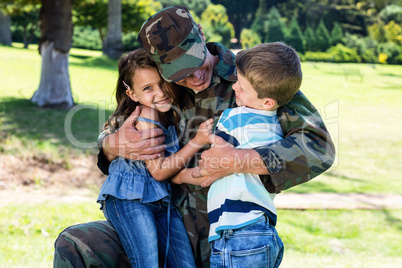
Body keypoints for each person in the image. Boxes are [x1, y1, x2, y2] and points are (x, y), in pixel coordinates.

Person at [54, 5, 335, 268]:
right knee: (76, 244)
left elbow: (317, 146)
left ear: (200, 32)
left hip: (232, 236)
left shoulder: (251, 77)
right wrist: (111, 144)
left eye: (196, 61)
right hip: (168, 228)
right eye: (181, 73)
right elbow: (119, 123)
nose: (195, 76)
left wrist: (239, 160)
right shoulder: (161, 88)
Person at [173, 42, 301, 267]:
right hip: (260, 229)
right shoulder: (277, 129)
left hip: (236, 234)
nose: (234, 89)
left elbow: (209, 167)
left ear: (267, 101)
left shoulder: (234, 119)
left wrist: (177, 175)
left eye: (241, 86)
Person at [97, 48, 213, 267]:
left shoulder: (167, 114)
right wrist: (197, 141)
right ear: (132, 94)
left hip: (163, 201)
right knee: (147, 263)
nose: (160, 93)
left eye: (162, 83)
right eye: (148, 88)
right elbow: (159, 171)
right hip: (130, 198)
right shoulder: (147, 114)